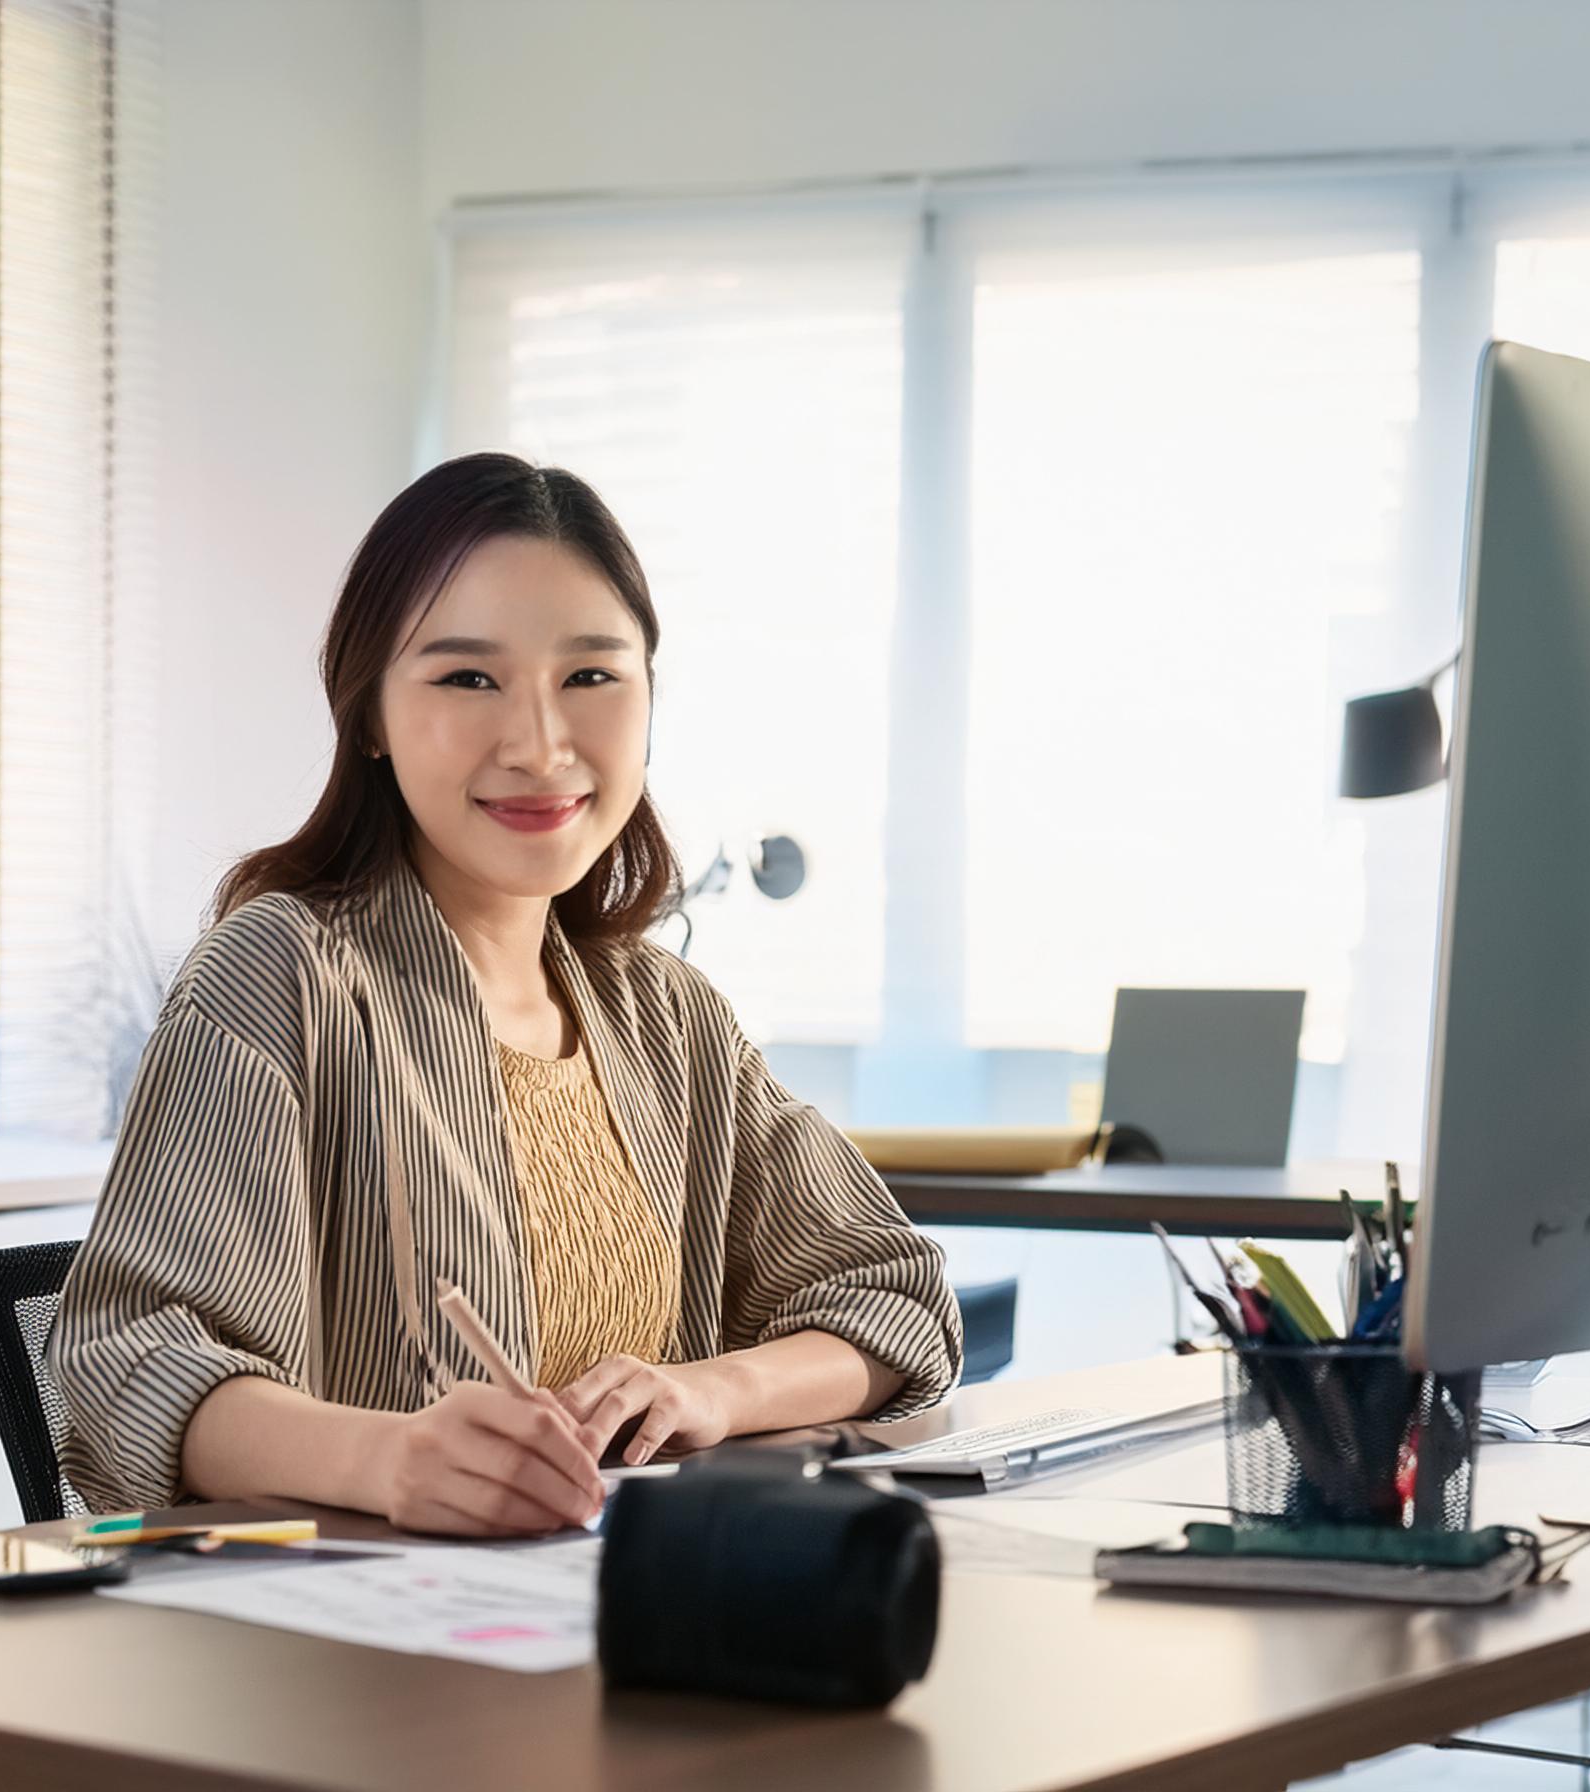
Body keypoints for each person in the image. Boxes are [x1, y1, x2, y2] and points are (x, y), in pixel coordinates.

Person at [50, 453, 961, 1536]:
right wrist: (393, 1461)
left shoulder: (666, 1015)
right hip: (349, 1650)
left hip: (611, 1627)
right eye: (467, 678)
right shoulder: (280, 973)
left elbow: (895, 1297)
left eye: (591, 676)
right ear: (372, 715)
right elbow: (129, 1365)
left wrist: (711, 1390)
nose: (539, 745)